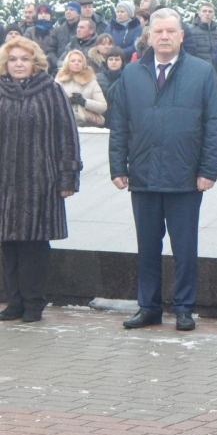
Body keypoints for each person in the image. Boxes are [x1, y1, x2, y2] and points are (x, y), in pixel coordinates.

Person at [109, 8, 217, 332]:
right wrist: (118, 166)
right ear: (148, 36)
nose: (163, 36)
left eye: (170, 31)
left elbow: (215, 124)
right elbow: (119, 123)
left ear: (181, 36)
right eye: (157, 31)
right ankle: (149, 307)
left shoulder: (202, 72)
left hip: (185, 177)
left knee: (184, 247)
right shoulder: (132, 74)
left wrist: (208, 170)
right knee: (147, 246)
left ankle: (184, 308)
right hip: (143, 176)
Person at [0, 37, 81, 323]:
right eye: (13, 59)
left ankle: (34, 302)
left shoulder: (51, 91)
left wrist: (67, 176)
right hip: (4, 184)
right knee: (8, 244)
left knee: (34, 244)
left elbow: (67, 136)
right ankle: (14, 301)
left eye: (24, 59)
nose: (18, 64)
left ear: (35, 63)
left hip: (40, 183)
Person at [56, 50, 107, 128]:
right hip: (64, 126)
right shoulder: (59, 81)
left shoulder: (91, 81)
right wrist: (66, 102)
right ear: (67, 63)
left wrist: (84, 102)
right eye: (73, 61)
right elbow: (51, 104)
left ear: (83, 64)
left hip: (88, 126)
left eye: (79, 61)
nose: (76, 63)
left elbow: (103, 106)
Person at [97, 46, 125, 129]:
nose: (113, 62)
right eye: (110, 59)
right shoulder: (98, 78)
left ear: (122, 62)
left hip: (119, 121)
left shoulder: (127, 78)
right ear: (106, 61)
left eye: (117, 59)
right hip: (101, 121)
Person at [23, 3, 57, 72]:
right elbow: (25, 47)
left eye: (46, 13)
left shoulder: (56, 31)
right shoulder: (30, 31)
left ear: (51, 16)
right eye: (41, 13)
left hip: (52, 67)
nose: (43, 15)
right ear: (37, 16)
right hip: (33, 66)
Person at [192, 2, 217, 66]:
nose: (207, 13)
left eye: (210, 11)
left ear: (214, 14)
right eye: (204, 11)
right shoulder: (192, 31)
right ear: (199, 13)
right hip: (199, 69)